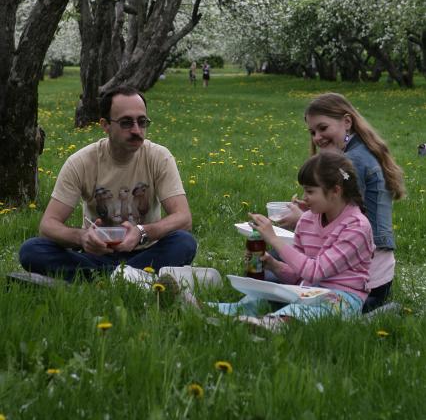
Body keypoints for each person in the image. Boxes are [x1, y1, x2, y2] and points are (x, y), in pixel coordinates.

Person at [19, 85, 197, 282]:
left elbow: (183, 218)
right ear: (105, 125)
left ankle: (102, 278)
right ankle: (130, 277)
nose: (137, 130)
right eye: (126, 123)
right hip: (96, 254)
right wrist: (82, 237)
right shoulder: (81, 162)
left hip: (145, 251)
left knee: (184, 242)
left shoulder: (159, 157)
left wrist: (142, 232)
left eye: (142, 121)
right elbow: (48, 226)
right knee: (31, 250)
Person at [215, 152, 374, 329]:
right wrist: (273, 265)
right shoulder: (307, 220)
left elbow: (315, 272)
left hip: (342, 297)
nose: (304, 197)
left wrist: (275, 240)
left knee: (311, 311)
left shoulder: (357, 227)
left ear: (336, 191)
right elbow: (298, 275)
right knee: (258, 298)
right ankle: (214, 311)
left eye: (310, 191)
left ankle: (272, 324)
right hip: (305, 292)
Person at [278, 92, 405, 313]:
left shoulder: (352, 162)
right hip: (377, 275)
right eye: (312, 132)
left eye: (323, 128)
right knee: (277, 260)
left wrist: (302, 220)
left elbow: (353, 226)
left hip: (360, 283)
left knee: (277, 264)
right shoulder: (361, 152)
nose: (317, 137)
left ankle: (367, 314)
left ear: (347, 122)